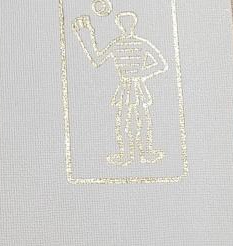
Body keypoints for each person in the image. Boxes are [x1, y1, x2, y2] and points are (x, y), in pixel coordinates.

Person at [72, 10, 167, 166]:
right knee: (133, 119)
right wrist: (86, 34)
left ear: (122, 26)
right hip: (128, 87)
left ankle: (136, 153)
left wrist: (86, 34)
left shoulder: (125, 44)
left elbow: (97, 59)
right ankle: (135, 153)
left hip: (133, 86)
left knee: (133, 119)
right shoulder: (132, 44)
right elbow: (97, 60)